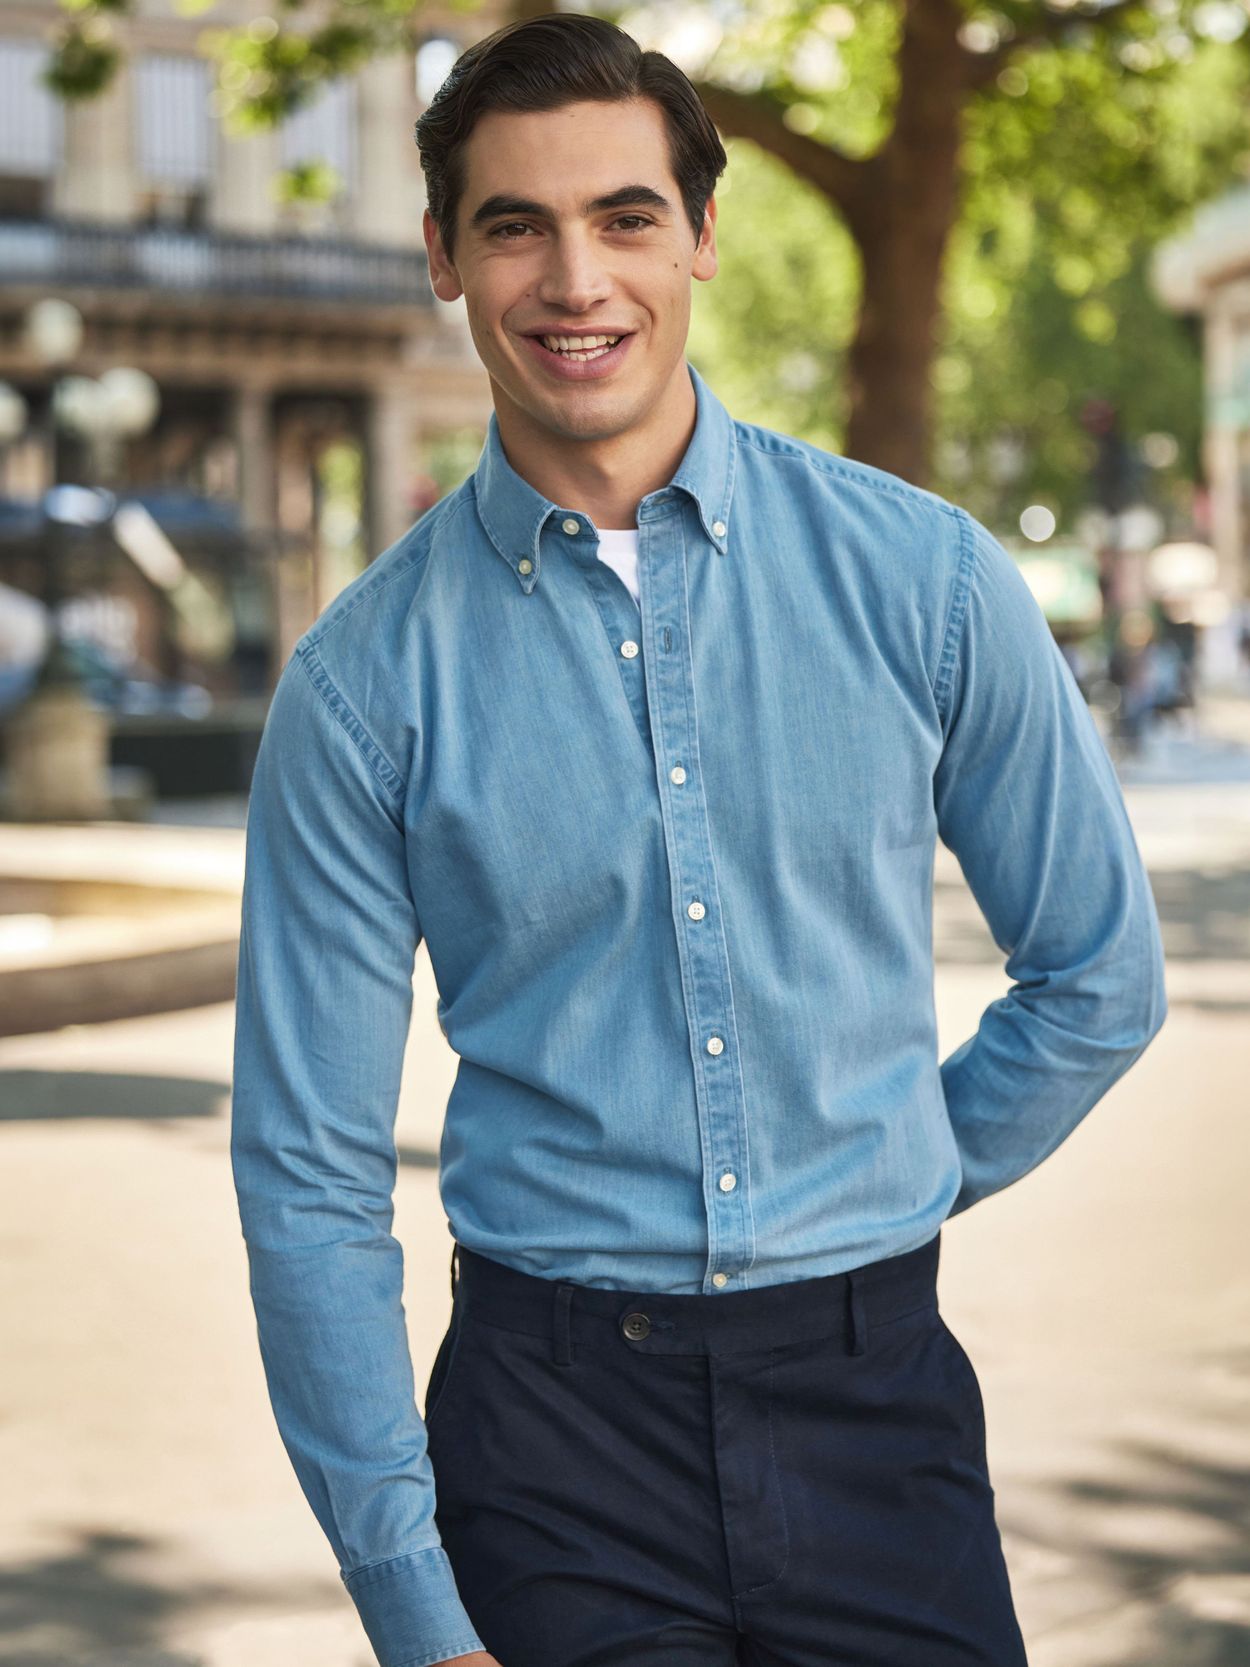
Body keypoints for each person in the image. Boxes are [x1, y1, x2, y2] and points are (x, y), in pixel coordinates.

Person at [229, 14, 1169, 1667]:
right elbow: (309, 1172)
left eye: (624, 217)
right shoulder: (365, 683)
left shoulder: (926, 586)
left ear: (703, 237)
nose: (573, 280)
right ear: (443, 257)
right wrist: (408, 1598)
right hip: (547, 1442)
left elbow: (1096, 973)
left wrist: (893, 1166)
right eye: (514, 224)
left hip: (876, 1411)